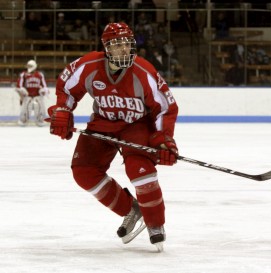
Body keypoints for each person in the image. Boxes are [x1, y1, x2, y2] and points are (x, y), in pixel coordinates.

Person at [46, 22, 179, 251]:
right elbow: (67, 88)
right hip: (103, 123)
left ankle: (155, 224)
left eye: (127, 44)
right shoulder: (89, 66)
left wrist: (164, 139)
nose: (123, 50)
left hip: (137, 124)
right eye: (117, 45)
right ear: (106, 48)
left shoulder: (144, 72)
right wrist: (63, 111)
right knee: (83, 171)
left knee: (141, 172)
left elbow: (165, 107)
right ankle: (131, 210)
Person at [15, 60, 49, 126]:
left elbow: (45, 86)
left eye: (30, 66)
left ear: (34, 66)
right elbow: (19, 86)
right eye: (28, 66)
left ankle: (40, 120)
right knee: (25, 110)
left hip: (37, 96)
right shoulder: (23, 74)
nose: (28, 67)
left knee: (40, 109)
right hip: (27, 96)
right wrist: (22, 92)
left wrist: (43, 90)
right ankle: (23, 120)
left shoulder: (40, 75)